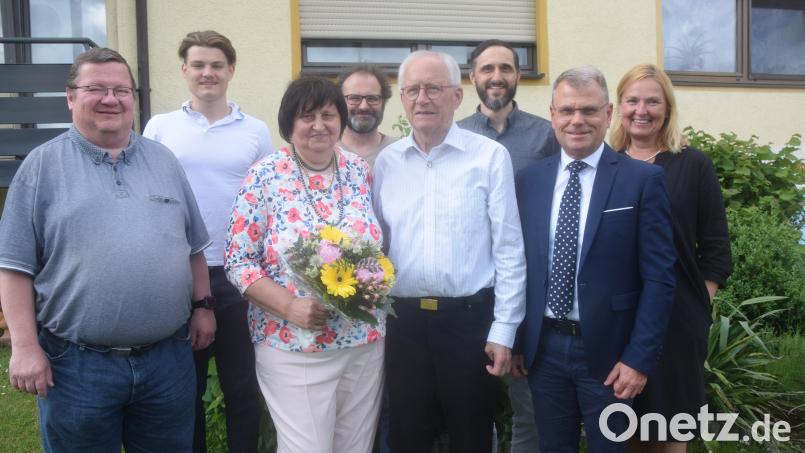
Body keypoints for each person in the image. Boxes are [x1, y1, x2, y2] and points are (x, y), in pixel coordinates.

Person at [0, 47, 213, 452]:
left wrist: (203, 306)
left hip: (167, 362)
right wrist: (25, 347)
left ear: (133, 97)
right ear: (70, 97)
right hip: (77, 367)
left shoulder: (164, 160)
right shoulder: (41, 167)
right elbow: (13, 268)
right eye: (96, 88)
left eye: (121, 90)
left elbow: (193, 248)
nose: (110, 99)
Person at [512, 65, 677, 452]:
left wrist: (638, 358)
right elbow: (521, 267)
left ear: (607, 114)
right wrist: (519, 340)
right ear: (552, 115)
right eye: (567, 110)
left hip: (611, 353)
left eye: (588, 110)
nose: (577, 120)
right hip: (545, 351)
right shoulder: (529, 181)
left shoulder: (642, 180)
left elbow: (660, 278)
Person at [373, 50, 526, 453]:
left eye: (434, 88)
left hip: (469, 325)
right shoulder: (387, 163)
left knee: (471, 436)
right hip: (402, 326)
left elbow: (509, 250)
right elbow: (376, 247)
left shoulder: (489, 157)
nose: (422, 98)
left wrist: (503, 330)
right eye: (412, 90)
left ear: (457, 97)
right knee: (407, 436)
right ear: (402, 99)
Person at [225, 76, 385, 453]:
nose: (319, 125)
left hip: (363, 342)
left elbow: (375, 245)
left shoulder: (358, 170)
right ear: (288, 124)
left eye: (328, 114)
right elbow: (239, 261)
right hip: (293, 346)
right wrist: (290, 306)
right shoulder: (265, 175)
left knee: (355, 448)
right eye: (306, 116)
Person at [143, 30, 271, 453]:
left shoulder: (255, 131)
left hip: (240, 276)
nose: (207, 73)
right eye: (198, 65)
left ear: (231, 70)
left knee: (241, 389)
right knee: (186, 391)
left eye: (217, 65)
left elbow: (267, 200)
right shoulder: (160, 127)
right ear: (184, 70)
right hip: (178, 276)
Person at [610, 64, 732, 453]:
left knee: (668, 432)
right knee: (624, 427)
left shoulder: (693, 165)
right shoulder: (606, 164)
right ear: (618, 106)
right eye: (632, 100)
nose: (641, 110)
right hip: (617, 319)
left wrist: (698, 306)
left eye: (652, 101)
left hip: (676, 323)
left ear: (668, 107)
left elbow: (715, 249)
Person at [458, 38, 558, 453]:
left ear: (518, 76)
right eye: (487, 69)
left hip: (529, 289)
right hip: (471, 292)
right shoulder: (455, 134)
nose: (496, 77)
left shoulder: (546, 136)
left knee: (529, 407)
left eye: (505, 68)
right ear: (472, 77)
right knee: (468, 404)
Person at [336, 65, 398, 167]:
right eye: (354, 98)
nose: (363, 107)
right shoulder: (324, 153)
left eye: (372, 98)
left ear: (383, 103)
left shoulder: (401, 152)